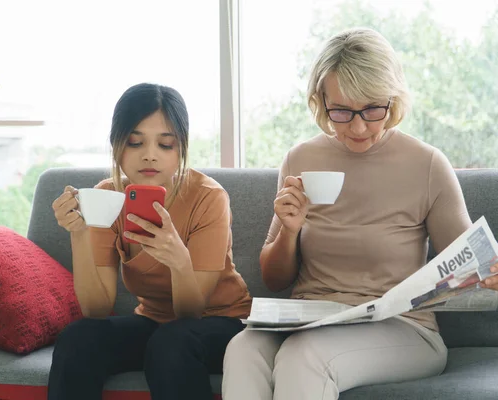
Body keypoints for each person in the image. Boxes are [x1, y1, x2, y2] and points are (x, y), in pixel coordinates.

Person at [222, 27, 498, 400]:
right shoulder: (300, 160)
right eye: (342, 111)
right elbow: (274, 279)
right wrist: (289, 231)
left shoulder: (427, 164)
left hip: (403, 328)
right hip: (312, 319)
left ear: (393, 99)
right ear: (321, 101)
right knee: (242, 349)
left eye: (372, 109)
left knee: (305, 357)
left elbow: (470, 263)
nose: (358, 127)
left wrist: (489, 274)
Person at [47, 83, 251, 400]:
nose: (150, 155)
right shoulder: (107, 198)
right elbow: (96, 308)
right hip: (155, 326)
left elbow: (190, 313)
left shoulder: (208, 198)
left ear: (181, 148)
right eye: (134, 142)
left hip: (222, 325)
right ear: (117, 146)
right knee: (79, 337)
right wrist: (80, 232)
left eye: (165, 144)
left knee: (172, 341)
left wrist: (179, 261)